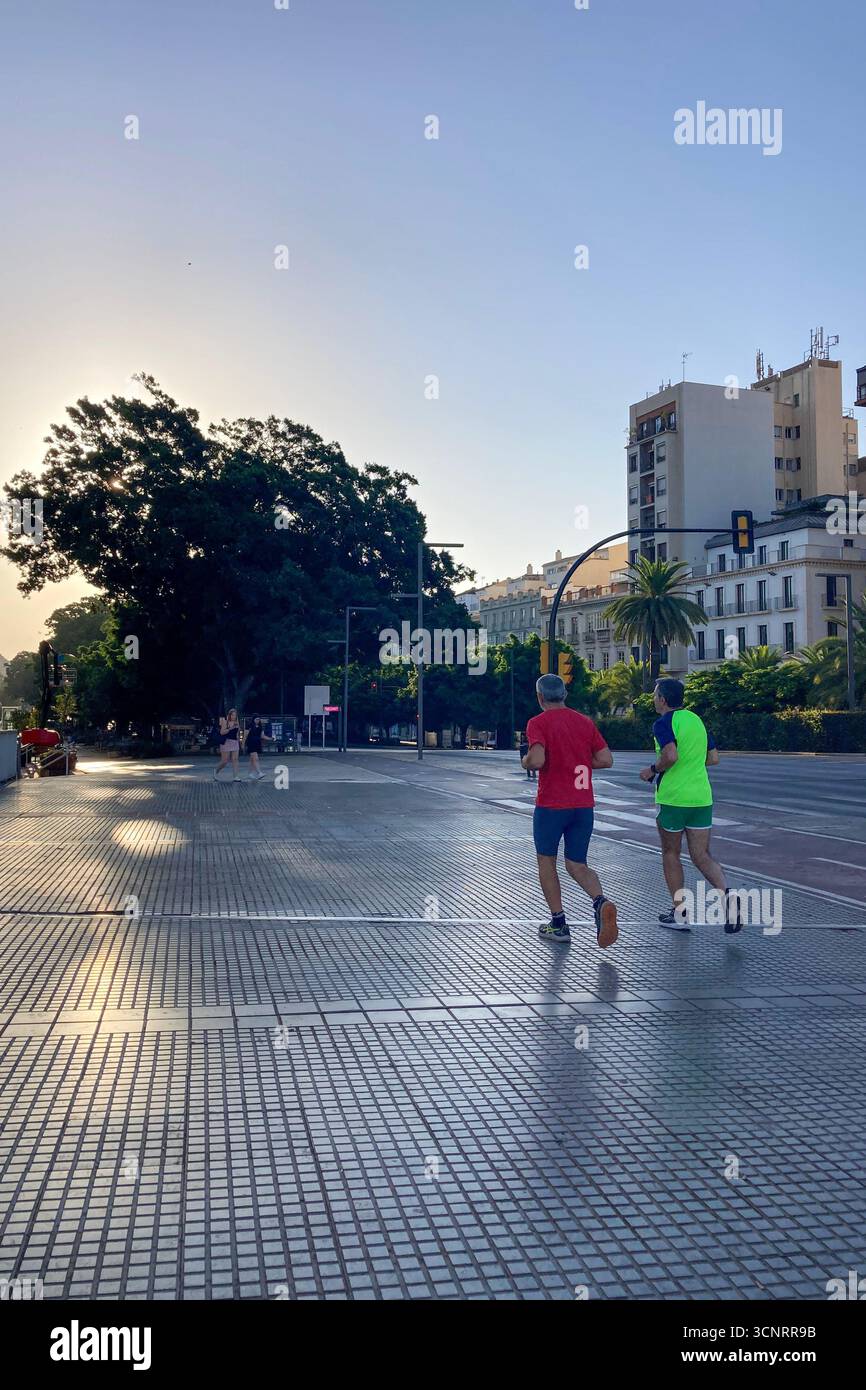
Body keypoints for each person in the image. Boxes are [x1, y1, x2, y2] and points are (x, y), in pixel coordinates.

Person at [522, 672, 618, 947]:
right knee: (577, 863)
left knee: (547, 862)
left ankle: (559, 923)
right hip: (583, 805)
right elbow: (606, 759)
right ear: (564, 695)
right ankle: (601, 901)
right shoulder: (584, 722)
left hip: (552, 805)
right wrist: (579, 761)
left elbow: (537, 759)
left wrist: (527, 761)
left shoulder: (538, 722)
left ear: (540, 697)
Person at [639, 677, 739, 933]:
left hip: (674, 798)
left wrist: (652, 770)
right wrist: (691, 764)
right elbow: (713, 758)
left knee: (671, 854)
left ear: (662, 699)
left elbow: (670, 755)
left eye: (655, 694)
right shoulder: (697, 721)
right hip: (701, 797)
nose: (653, 698)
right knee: (701, 855)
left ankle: (680, 913)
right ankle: (728, 897)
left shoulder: (663, 723)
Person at [214, 708, 242, 782]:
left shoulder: (237, 723)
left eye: (235, 715)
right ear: (229, 715)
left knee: (235, 759)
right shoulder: (225, 722)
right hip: (226, 742)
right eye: (232, 715)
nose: (234, 717)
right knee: (225, 761)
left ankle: (236, 776)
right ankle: (216, 771)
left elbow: (237, 733)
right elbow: (222, 732)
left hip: (235, 742)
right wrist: (230, 728)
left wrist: (238, 738)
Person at [245, 715, 272, 780]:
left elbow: (262, 736)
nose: (258, 720)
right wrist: (243, 743)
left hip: (257, 743)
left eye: (258, 719)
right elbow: (245, 735)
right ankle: (259, 773)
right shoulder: (249, 726)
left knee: (252, 759)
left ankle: (250, 774)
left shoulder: (260, 727)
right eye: (256, 719)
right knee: (255, 758)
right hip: (251, 743)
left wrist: (270, 738)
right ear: (253, 719)